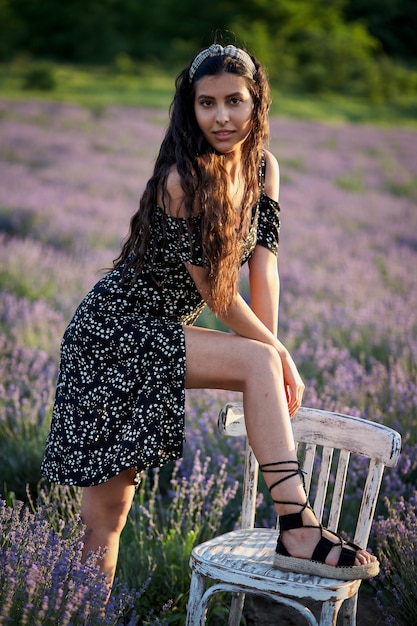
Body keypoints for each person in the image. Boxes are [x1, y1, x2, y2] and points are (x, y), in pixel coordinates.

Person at [41, 43, 378, 592]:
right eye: (207, 103)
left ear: (256, 102)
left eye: (234, 101)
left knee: (254, 361)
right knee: (104, 520)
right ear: (189, 109)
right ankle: (296, 526)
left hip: (162, 331)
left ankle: (295, 527)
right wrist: (278, 355)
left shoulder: (263, 169)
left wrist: (273, 353)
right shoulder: (184, 179)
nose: (221, 117)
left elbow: (263, 272)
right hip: (114, 331)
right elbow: (221, 297)